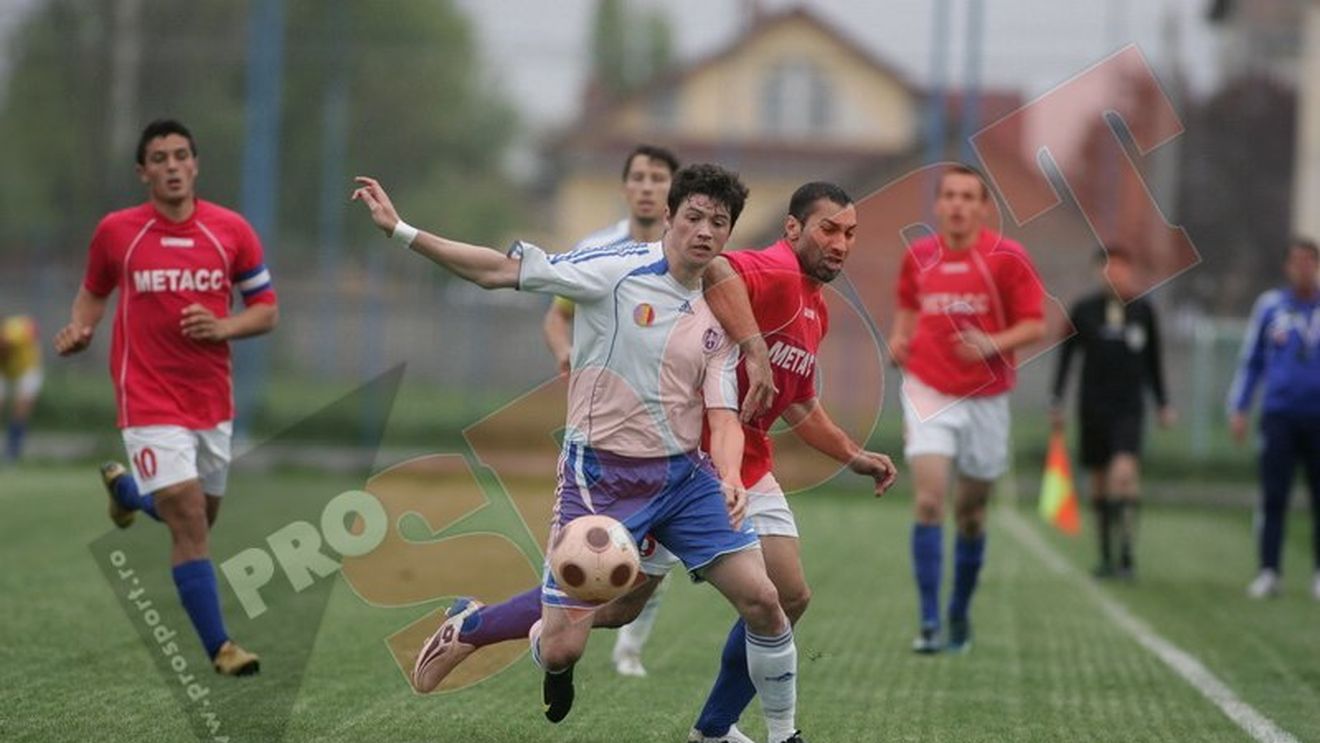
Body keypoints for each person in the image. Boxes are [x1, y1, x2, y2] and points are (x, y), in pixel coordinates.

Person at [352, 164, 807, 743]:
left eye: (719, 223)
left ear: (728, 234)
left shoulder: (722, 307)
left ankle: (782, 735)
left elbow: (721, 414)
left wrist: (728, 476)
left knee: (765, 601)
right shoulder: (615, 271)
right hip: (600, 480)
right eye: (693, 216)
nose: (704, 231)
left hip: (684, 480)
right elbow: (498, 272)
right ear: (669, 217)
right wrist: (402, 231)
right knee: (566, 645)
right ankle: (476, 625)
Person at [53, 119, 278, 676]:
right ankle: (221, 647)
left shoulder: (231, 231)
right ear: (143, 171)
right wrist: (80, 329)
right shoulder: (117, 232)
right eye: (159, 158)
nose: (172, 166)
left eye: (181, 155)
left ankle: (127, 493)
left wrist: (225, 327)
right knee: (187, 515)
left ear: (195, 165)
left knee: (200, 516)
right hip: (146, 396)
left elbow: (266, 309)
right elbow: (92, 294)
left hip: (209, 401)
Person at [888, 164, 1045, 654]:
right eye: (949, 196)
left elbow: (1035, 325)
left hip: (987, 398)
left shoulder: (1007, 258)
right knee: (931, 501)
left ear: (983, 207)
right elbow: (908, 310)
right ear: (938, 205)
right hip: (928, 389)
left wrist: (992, 343)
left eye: (967, 196)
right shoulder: (919, 256)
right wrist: (899, 338)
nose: (957, 204)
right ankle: (930, 621)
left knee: (972, 512)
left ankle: (959, 612)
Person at [543, 143, 681, 678]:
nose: (648, 186)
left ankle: (630, 644)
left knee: (656, 546)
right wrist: (563, 351)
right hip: (601, 419)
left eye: (659, 178)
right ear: (625, 187)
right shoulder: (596, 248)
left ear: (674, 188)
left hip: (669, 420)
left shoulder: (688, 252)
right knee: (587, 535)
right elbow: (556, 316)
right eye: (639, 177)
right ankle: (559, 628)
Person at [1050, 247, 1175, 580]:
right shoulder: (1084, 310)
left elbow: (1154, 362)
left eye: (1121, 268)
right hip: (1092, 407)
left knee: (1124, 472)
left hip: (1129, 409)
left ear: (1130, 272)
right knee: (1100, 483)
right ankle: (1106, 555)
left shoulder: (1143, 311)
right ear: (1098, 272)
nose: (1114, 275)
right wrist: (1057, 400)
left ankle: (1127, 553)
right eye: (1108, 269)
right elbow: (1066, 357)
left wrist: (1163, 403)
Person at [1227, 237, 1320, 601]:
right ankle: (1269, 570)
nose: (1303, 267)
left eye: (1310, 260)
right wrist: (1239, 407)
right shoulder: (1271, 306)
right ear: (1286, 266)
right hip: (1279, 415)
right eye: (1296, 260)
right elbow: (1252, 361)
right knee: (1274, 495)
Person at [0, 314, 43, 460]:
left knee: (21, 409)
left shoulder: (16, 331)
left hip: (27, 369)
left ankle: (11, 453)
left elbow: (32, 327)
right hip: (4, 372)